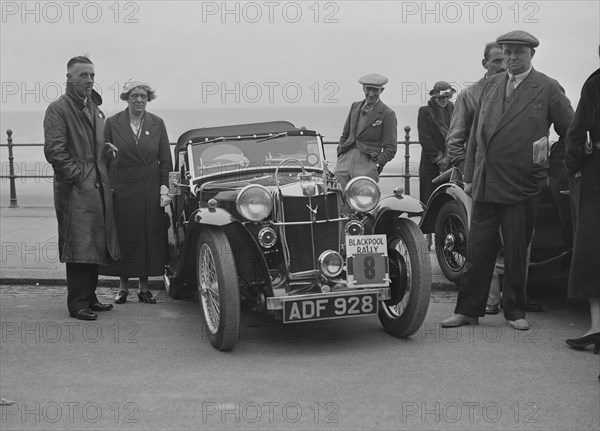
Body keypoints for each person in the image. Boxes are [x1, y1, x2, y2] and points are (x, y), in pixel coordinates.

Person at [441, 30, 574, 331]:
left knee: (515, 250)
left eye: (519, 53)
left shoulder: (548, 87)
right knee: (478, 249)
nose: (512, 58)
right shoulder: (490, 86)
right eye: (508, 52)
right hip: (486, 181)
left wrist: (544, 167)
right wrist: (470, 176)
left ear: (532, 55)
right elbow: (476, 136)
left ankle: (515, 312)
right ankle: (468, 310)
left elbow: (571, 132)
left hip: (523, 183)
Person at [44, 56, 121, 321]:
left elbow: (92, 147)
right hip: (76, 188)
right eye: (83, 75)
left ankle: (90, 296)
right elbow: (55, 151)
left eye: (91, 75)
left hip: (97, 183)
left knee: (96, 243)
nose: (89, 80)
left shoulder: (94, 109)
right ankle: (77, 303)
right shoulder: (59, 109)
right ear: (69, 78)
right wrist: (78, 178)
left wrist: (106, 153)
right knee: (79, 244)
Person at [446, 41, 506, 314]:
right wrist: (469, 173)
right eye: (496, 61)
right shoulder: (470, 95)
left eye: (505, 60)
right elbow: (455, 140)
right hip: (476, 177)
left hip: (508, 178)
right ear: (485, 64)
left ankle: (515, 300)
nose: (502, 66)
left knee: (511, 238)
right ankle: (491, 300)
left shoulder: (517, 92)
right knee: (482, 239)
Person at [102, 80, 173, 304]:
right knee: (125, 237)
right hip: (122, 189)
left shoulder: (157, 123)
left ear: (148, 99)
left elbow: (165, 159)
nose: (139, 100)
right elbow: (102, 156)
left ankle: (144, 288)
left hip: (149, 190)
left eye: (143, 96)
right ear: (126, 98)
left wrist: (165, 188)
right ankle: (123, 288)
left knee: (147, 237)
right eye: (134, 96)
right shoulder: (112, 123)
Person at [564, 52, 600, 354]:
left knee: (592, 249)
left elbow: (575, 134)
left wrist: (573, 164)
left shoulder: (595, 84)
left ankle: (597, 328)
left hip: (596, 173)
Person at [336, 73, 398, 192]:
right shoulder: (355, 106)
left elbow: (391, 147)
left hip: (367, 162)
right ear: (363, 88)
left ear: (382, 90)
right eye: (368, 89)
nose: (371, 94)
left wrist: (377, 164)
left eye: (375, 90)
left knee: (363, 201)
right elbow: (345, 134)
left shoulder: (387, 113)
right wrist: (340, 153)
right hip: (344, 161)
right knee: (338, 198)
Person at [417, 81, 455, 248]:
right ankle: (427, 238)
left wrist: (448, 157)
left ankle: (445, 235)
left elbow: (457, 133)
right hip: (430, 162)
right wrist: (439, 158)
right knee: (428, 198)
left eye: (447, 97)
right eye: (441, 97)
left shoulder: (454, 109)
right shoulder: (424, 111)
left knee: (448, 197)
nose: (444, 100)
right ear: (434, 96)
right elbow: (424, 137)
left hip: (450, 159)